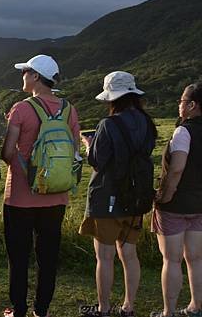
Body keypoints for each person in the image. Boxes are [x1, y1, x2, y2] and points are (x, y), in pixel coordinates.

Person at [1, 54, 80, 317]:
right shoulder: (69, 109)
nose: (22, 76)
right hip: (56, 196)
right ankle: (42, 309)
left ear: (35, 76)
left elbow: (8, 152)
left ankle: (19, 309)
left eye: (25, 72)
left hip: (21, 197)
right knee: (47, 258)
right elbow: (75, 150)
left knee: (19, 257)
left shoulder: (22, 109)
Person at [79, 71, 157, 317]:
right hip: (136, 197)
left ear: (112, 98)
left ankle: (103, 308)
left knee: (104, 256)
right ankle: (128, 307)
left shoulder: (108, 125)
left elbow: (98, 162)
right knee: (130, 254)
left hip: (107, 198)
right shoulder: (147, 124)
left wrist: (88, 145)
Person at [151, 83, 202, 317]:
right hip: (199, 205)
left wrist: (165, 195)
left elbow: (177, 168)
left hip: (176, 205)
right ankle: (195, 307)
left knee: (171, 260)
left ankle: (168, 312)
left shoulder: (184, 131)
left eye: (182, 101)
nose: (178, 104)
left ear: (192, 105)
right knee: (196, 258)